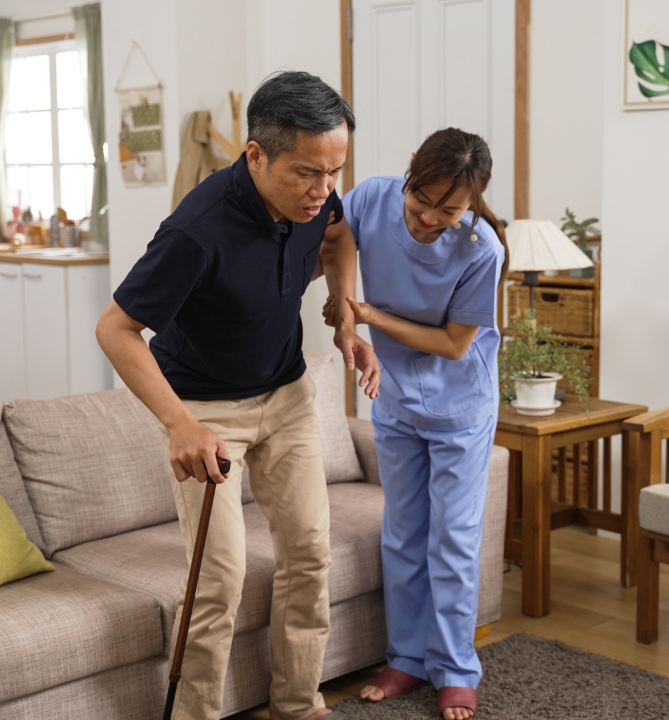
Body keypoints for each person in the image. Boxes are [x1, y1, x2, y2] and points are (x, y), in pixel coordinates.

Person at [96, 71, 380, 720]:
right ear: (256, 154)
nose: (324, 189)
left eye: (336, 171)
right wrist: (178, 424)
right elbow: (115, 330)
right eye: (308, 172)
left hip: (286, 396)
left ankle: (298, 706)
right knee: (218, 580)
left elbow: (338, 235)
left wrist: (345, 317)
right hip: (206, 411)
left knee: (310, 552)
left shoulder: (315, 203)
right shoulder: (197, 230)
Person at [320, 128, 508, 720]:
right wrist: (344, 306)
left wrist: (369, 312)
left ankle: (455, 669)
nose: (429, 218)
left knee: (451, 537)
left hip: (460, 407)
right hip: (396, 397)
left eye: (448, 209)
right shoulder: (374, 197)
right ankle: (405, 658)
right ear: (408, 174)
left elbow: (454, 345)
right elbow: (335, 235)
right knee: (402, 532)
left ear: (473, 201)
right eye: (420, 200)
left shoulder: (482, 251)